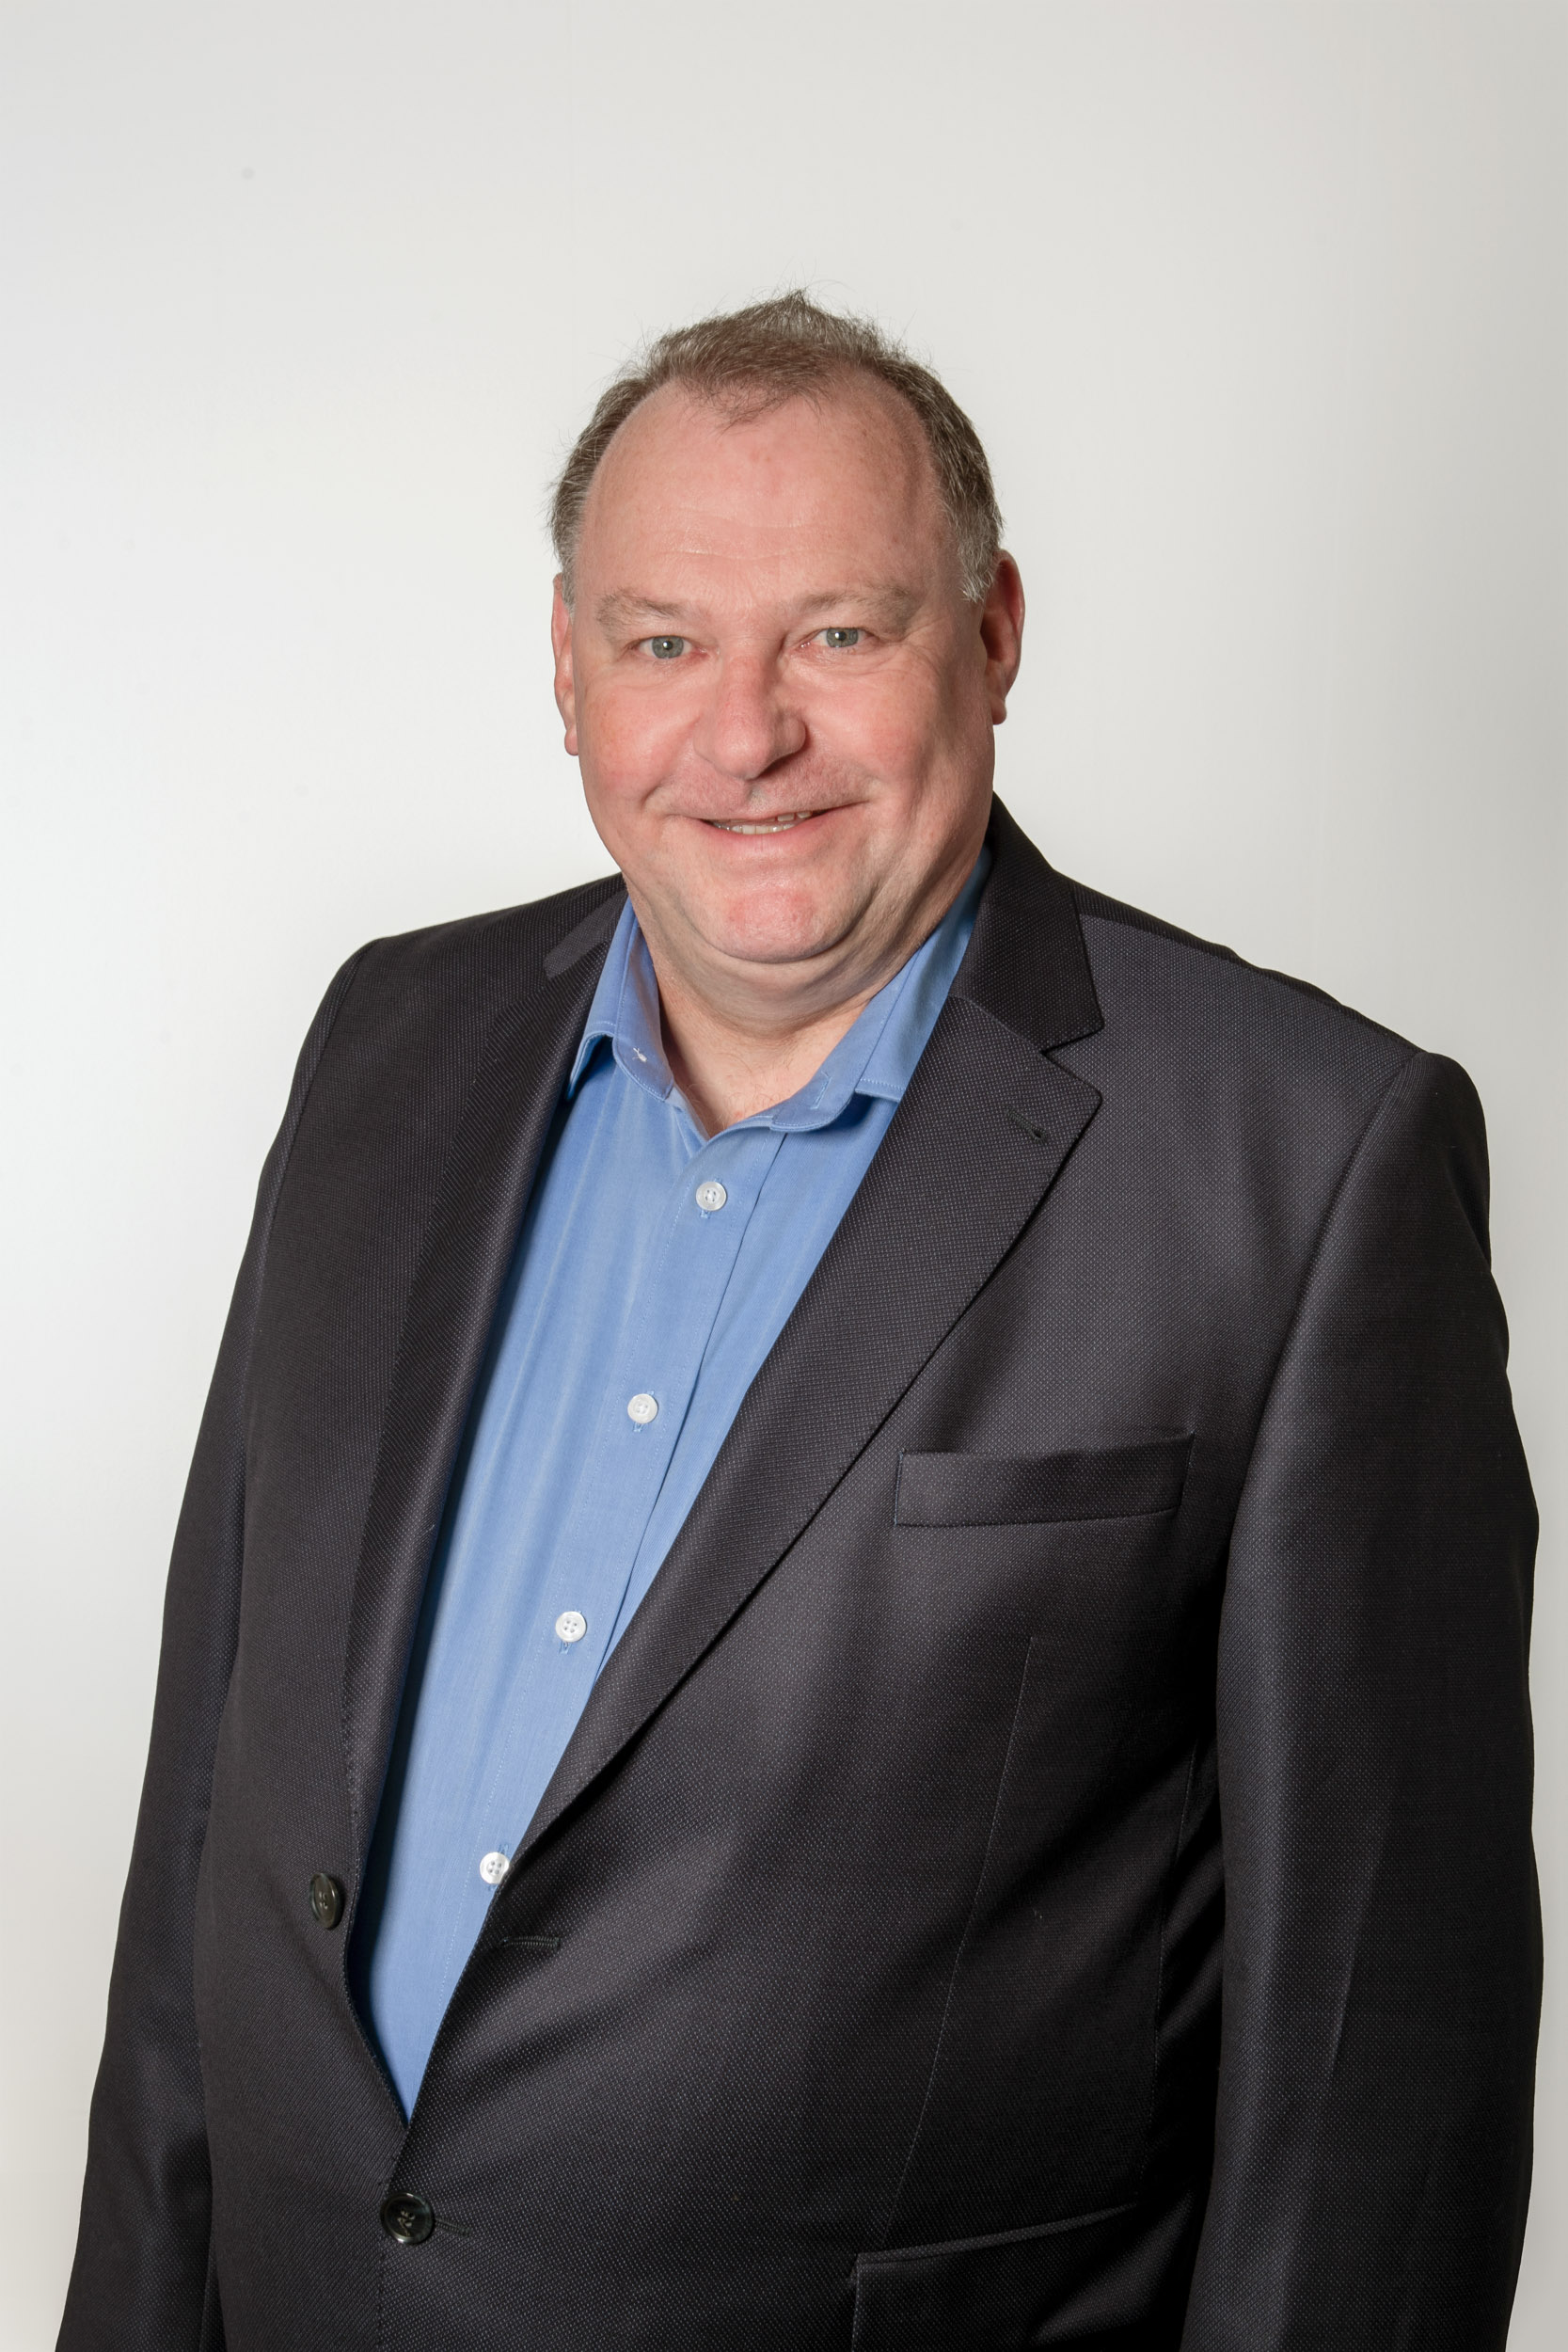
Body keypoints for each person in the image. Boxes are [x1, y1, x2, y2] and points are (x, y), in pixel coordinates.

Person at [58, 293, 1539, 2352]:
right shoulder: (389, 1041)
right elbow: (207, 1842)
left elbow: (1382, 2070)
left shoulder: (1303, 1163)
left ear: (992, 636)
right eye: (664, 642)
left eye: (838, 632)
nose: (744, 732)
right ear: (566, 669)